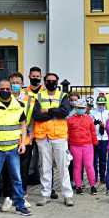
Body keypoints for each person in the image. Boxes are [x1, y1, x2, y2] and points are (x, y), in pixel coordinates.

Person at [0, 80, 32, 218]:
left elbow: (22, 125)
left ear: (11, 90)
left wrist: (23, 142)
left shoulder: (18, 105)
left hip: (13, 148)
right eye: (2, 88)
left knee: (17, 178)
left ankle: (19, 206)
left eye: (7, 88)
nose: (4, 91)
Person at [31, 72, 74, 207]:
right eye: (48, 81)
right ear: (45, 82)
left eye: (53, 81)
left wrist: (47, 111)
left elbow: (64, 112)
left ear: (57, 83)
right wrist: (54, 114)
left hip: (59, 135)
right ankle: (45, 194)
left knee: (63, 166)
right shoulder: (38, 96)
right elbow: (36, 115)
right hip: (43, 136)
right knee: (45, 167)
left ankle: (68, 195)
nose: (51, 83)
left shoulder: (63, 96)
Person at [0, 71, 35, 211]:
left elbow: (32, 120)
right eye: (12, 83)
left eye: (17, 83)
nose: (14, 85)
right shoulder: (1, 99)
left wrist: (31, 136)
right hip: (7, 140)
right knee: (8, 170)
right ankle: (8, 196)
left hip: (25, 139)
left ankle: (22, 195)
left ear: (22, 84)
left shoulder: (30, 100)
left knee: (23, 170)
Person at [68, 98, 99, 195]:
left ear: (86, 108)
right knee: (77, 166)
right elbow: (68, 132)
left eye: (82, 107)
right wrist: (67, 145)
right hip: (75, 145)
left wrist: (95, 143)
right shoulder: (70, 119)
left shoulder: (89, 118)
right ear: (75, 107)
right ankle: (78, 186)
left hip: (87, 145)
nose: (81, 109)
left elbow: (93, 131)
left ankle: (93, 185)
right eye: (78, 107)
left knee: (89, 165)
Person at [91, 93, 109, 184]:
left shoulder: (108, 112)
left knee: (103, 159)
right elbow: (91, 124)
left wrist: (107, 122)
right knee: (94, 160)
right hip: (95, 138)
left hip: (105, 138)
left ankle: (102, 176)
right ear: (96, 103)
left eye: (103, 104)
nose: (101, 105)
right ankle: (94, 177)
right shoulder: (92, 112)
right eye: (100, 104)